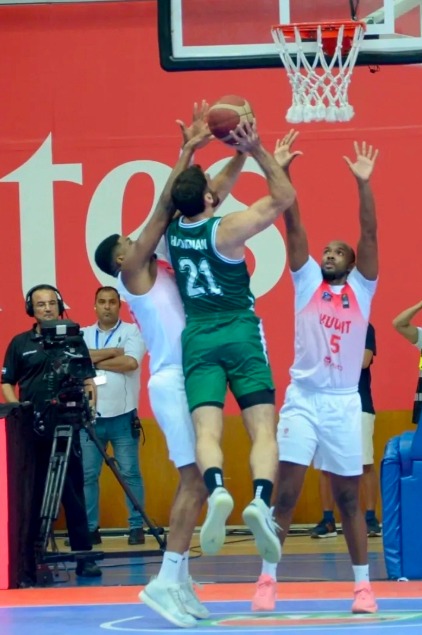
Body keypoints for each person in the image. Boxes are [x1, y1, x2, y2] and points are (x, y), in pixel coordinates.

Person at [94, 102, 252, 628]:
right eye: (128, 242)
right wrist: (187, 149)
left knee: (201, 482)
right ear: (121, 260)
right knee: (193, 482)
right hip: (170, 380)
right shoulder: (133, 275)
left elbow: (205, 196)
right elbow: (162, 208)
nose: (137, 238)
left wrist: (240, 152)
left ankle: (179, 582)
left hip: (191, 372)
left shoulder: (161, 262)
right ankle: (165, 579)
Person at [252, 131, 379, 614]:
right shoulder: (306, 281)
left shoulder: (362, 290)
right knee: (285, 494)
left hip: (344, 403)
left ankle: (363, 588)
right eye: (326, 250)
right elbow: (293, 224)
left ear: (352, 262)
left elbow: (369, 233)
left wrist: (363, 184)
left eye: (337, 251)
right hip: (303, 398)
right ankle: (267, 579)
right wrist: (281, 172)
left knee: (348, 500)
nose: (328, 254)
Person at [165, 119, 296, 566]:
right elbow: (283, 197)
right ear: (208, 199)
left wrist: (233, 156)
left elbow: (208, 191)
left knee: (207, 431)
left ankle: (217, 489)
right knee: (263, 428)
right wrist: (256, 150)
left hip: (198, 336)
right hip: (239, 330)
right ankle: (259, 499)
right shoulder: (229, 229)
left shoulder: (172, 231)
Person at [1, 284, 101, 582]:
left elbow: (88, 380)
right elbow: (7, 381)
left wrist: (89, 408)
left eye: (51, 303)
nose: (47, 308)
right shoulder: (20, 343)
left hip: (68, 426)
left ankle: (83, 557)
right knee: (31, 492)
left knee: (73, 493)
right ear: (31, 310)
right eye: (40, 304)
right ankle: (30, 559)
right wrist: (18, 410)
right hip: (31, 430)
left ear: (60, 306)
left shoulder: (75, 341)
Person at [80, 286, 146, 545]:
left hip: (123, 417)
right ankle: (90, 528)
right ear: (95, 306)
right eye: (102, 302)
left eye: (112, 302)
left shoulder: (132, 332)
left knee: (130, 473)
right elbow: (76, 363)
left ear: (119, 306)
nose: (107, 306)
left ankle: (136, 527)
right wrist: (114, 352)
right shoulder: (82, 334)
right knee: (87, 476)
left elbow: (130, 363)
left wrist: (91, 361)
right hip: (89, 418)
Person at [310, 323, 381, 538]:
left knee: (365, 462)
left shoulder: (364, 326)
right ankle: (328, 520)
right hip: (329, 405)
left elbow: (363, 361)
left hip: (359, 404)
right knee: (326, 466)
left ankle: (370, 518)